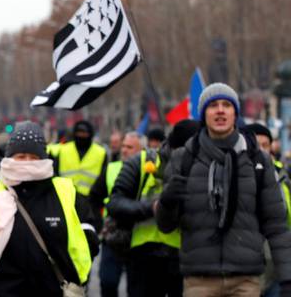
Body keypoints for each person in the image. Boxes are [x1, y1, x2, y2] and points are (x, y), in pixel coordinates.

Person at [156, 83, 291, 296]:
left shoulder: (258, 159)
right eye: (213, 106)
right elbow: (165, 226)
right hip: (199, 279)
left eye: (227, 105)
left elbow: (276, 224)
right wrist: (167, 201)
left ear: (235, 113)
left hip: (245, 280)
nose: (220, 110)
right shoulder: (183, 158)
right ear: (204, 114)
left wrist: (287, 277)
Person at [0, 121, 99, 296]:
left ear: (43, 158)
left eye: (33, 157)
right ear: (10, 157)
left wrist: (72, 272)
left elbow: (88, 230)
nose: (27, 163)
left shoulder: (64, 190)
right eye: (21, 156)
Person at [108, 120, 199, 297]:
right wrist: (153, 207)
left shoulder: (200, 167)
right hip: (144, 257)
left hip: (184, 259)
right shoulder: (141, 161)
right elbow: (115, 203)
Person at [89, 131, 143, 297]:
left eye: (130, 147)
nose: (124, 150)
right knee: (108, 281)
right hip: (113, 235)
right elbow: (94, 196)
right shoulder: (111, 168)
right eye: (123, 146)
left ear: (141, 150)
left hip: (138, 236)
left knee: (136, 289)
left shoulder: (149, 170)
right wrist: (99, 221)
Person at [244, 123, 290, 297]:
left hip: (277, 269)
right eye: (257, 145)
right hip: (247, 269)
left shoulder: (283, 178)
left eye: (266, 145)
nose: (262, 150)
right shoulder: (239, 177)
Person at [50, 120, 107, 197]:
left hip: (92, 200)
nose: (81, 136)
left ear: (90, 134)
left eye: (84, 133)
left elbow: (104, 178)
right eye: (79, 133)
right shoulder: (63, 150)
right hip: (66, 197)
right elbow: (55, 173)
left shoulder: (101, 153)